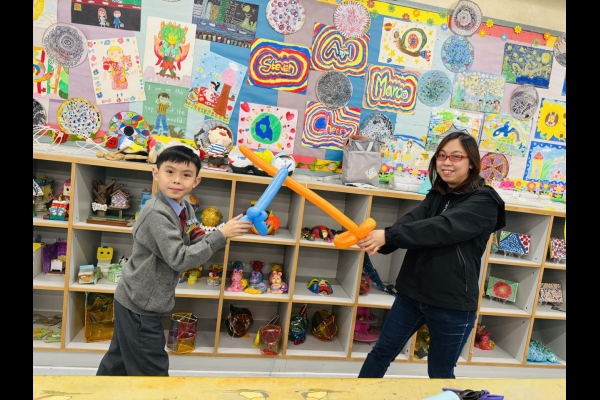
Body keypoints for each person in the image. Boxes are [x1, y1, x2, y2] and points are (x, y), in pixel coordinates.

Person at [356, 128, 506, 379]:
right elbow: (413, 220)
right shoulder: (438, 195)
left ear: (471, 163)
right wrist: (382, 242)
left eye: (456, 157)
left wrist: (389, 236)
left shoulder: (485, 201)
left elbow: (442, 228)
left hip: (452, 304)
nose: (446, 162)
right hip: (411, 295)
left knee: (440, 373)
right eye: (441, 155)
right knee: (380, 354)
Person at [96, 145, 253, 376]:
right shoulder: (156, 213)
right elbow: (179, 258)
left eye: (186, 175)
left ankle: (99, 390)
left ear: (196, 181)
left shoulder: (185, 207)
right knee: (152, 368)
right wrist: (221, 236)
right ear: (156, 173)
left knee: (118, 361)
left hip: (137, 297)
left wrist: (223, 230)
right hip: (139, 303)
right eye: (170, 172)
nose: (177, 180)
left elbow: (194, 235)